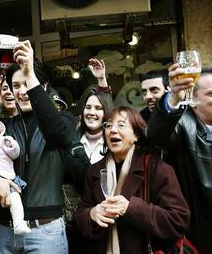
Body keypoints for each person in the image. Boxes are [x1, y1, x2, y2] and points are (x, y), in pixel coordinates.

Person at [0, 40, 78, 254]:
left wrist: (30, 73)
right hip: (0, 230)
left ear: (42, 87)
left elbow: (56, 133)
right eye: (16, 86)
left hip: (45, 230)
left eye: (27, 83)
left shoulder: (63, 120)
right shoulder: (3, 127)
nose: (22, 91)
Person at [76, 106, 190, 254]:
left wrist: (130, 208)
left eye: (121, 125)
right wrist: (91, 214)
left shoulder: (156, 168)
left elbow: (178, 220)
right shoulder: (95, 171)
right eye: (108, 125)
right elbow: (81, 214)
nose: (113, 130)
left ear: (136, 135)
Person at [147, 65, 212, 253]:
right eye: (211, 94)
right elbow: (156, 136)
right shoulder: (182, 125)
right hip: (198, 235)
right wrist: (174, 97)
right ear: (193, 101)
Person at [76, 58, 114, 164]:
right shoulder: (74, 139)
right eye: (88, 107)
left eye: (98, 108)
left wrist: (102, 79)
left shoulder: (113, 141)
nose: (91, 113)